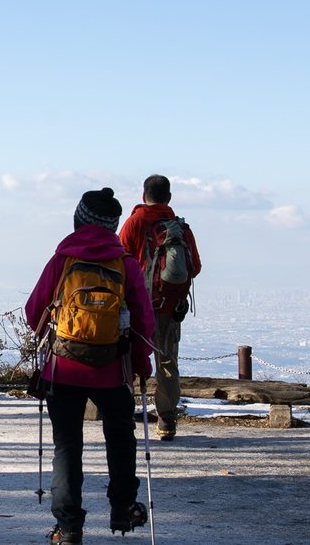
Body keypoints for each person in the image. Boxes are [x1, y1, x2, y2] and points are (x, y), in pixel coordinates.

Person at [26, 188, 155, 544]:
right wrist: (142, 365)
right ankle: (123, 509)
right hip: (113, 371)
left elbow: (32, 311)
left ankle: (68, 528)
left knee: (67, 446)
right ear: (113, 226)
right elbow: (144, 324)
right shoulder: (127, 264)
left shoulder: (63, 260)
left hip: (63, 369)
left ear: (79, 220)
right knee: (120, 437)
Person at [119, 174, 201, 441]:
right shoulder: (181, 228)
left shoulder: (134, 223)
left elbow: (119, 262)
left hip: (137, 307)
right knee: (167, 362)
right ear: (169, 197)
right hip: (170, 306)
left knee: (128, 359)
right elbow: (195, 267)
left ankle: (124, 413)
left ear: (144, 196)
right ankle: (166, 420)